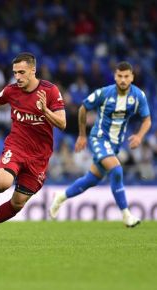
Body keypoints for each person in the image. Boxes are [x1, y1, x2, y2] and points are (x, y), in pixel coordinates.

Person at [0, 52, 66, 241]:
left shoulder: (50, 91)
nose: (18, 77)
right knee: (3, 183)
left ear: (33, 70)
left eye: (22, 72)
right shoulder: (11, 90)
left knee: (18, 203)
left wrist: (45, 111)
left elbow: (62, 123)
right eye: (15, 73)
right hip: (17, 146)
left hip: (39, 156)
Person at [49, 61, 151, 227]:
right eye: (120, 76)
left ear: (132, 77)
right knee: (117, 170)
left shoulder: (138, 96)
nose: (123, 80)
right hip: (99, 138)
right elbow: (83, 108)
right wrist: (82, 135)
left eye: (126, 76)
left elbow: (147, 120)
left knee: (91, 179)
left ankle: (60, 197)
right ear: (115, 76)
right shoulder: (104, 93)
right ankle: (126, 215)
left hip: (115, 144)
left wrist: (139, 136)